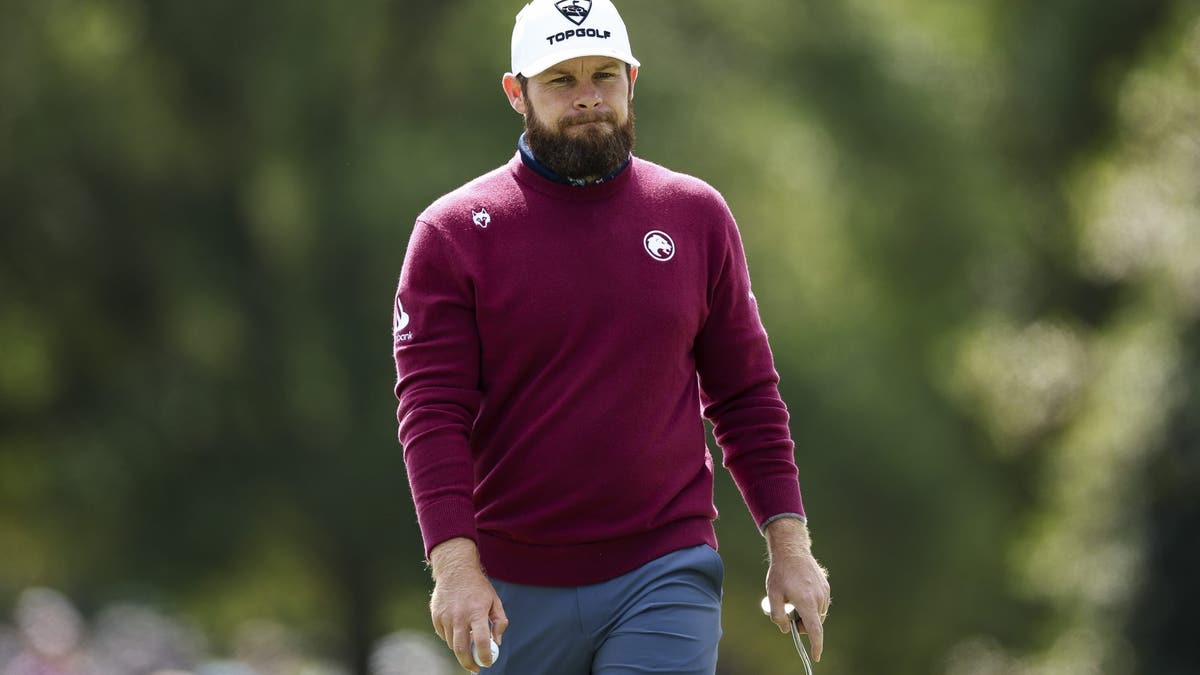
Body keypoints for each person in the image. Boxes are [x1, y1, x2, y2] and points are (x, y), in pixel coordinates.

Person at [392, 1, 831, 672]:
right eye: (561, 80)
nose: (588, 97)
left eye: (604, 75)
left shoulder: (695, 215)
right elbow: (432, 413)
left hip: (665, 566)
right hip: (512, 582)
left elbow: (745, 395)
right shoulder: (453, 233)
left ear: (633, 78)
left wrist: (789, 547)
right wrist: (454, 564)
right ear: (518, 92)